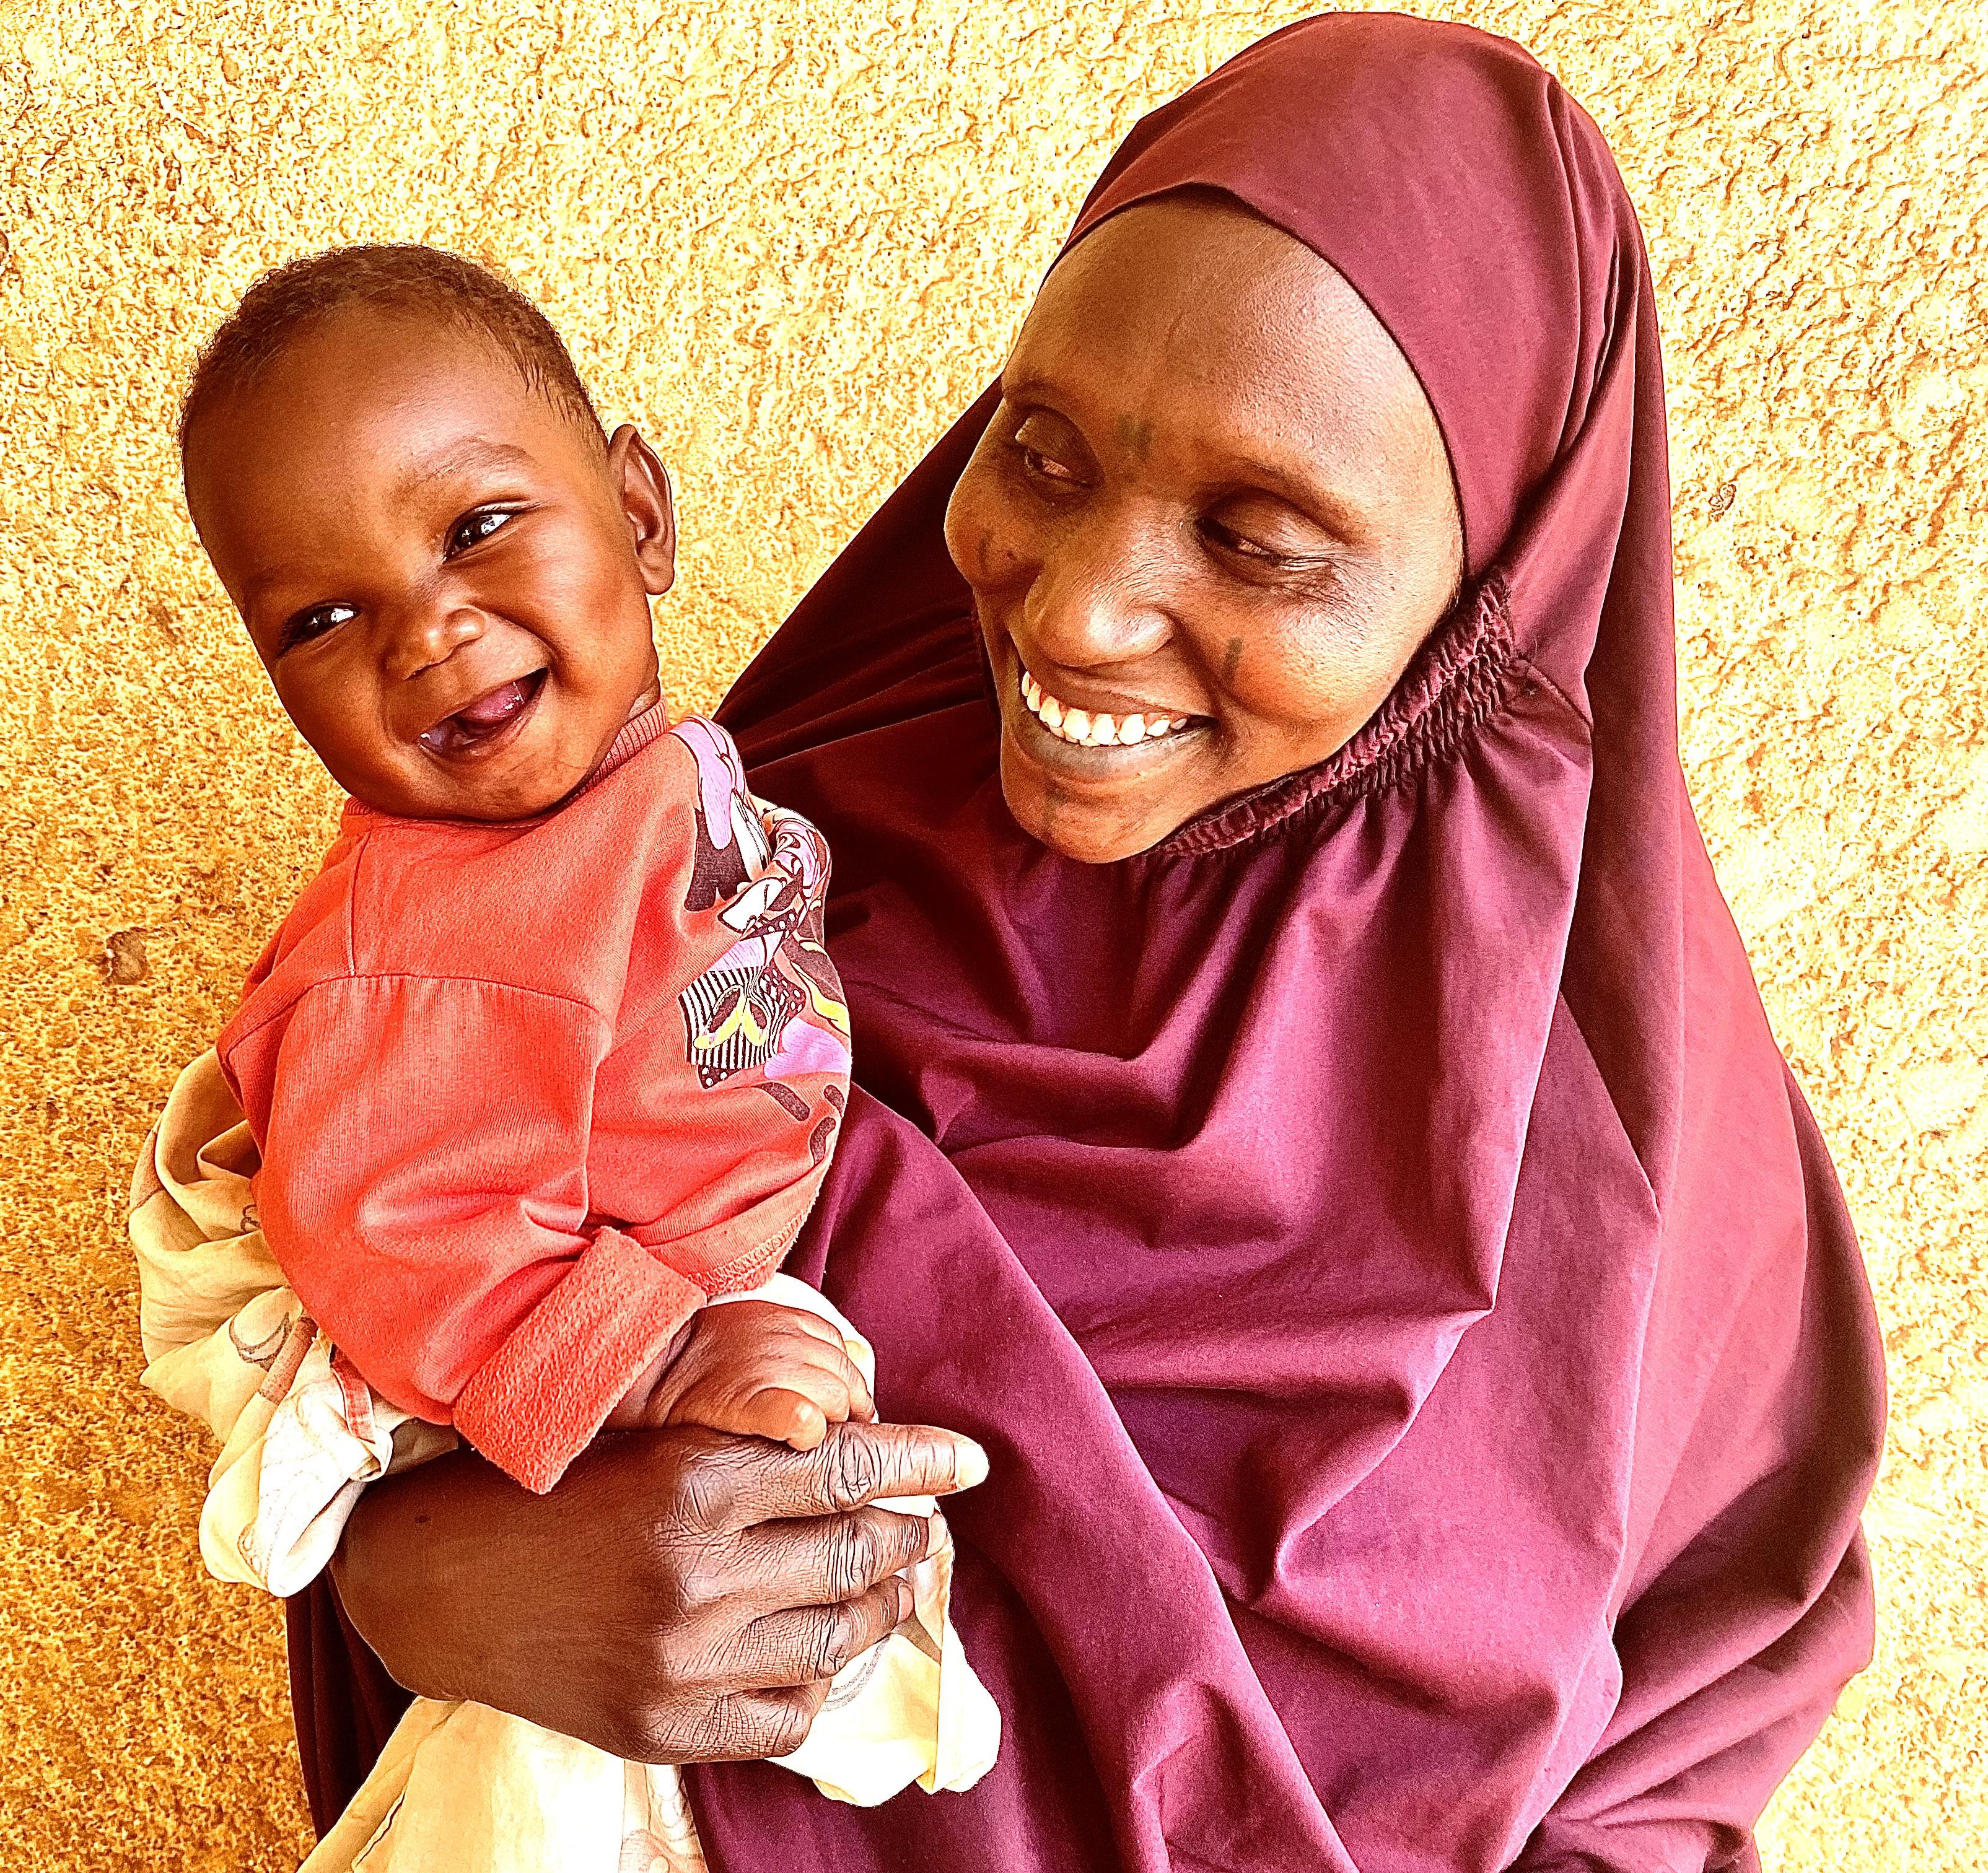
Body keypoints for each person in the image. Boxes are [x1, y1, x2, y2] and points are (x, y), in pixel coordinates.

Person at [187, 14, 1888, 1871]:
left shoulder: (1652, 1178)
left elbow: (1681, 1756)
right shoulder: (756, 846)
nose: (1076, 616)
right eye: (1047, 456)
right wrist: (433, 1581)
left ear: (1496, 565)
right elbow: (397, 1252)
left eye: (1260, 540)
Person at [136, 245, 997, 1871]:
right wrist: (663, 1365)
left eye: (475, 529)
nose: (429, 627)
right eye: (325, 618)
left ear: (641, 514)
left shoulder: (649, 779)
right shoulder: (422, 959)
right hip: (599, 1377)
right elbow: (394, 1227)